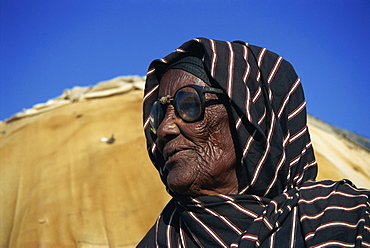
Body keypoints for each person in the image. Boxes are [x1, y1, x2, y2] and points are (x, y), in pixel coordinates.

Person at [138, 38, 370, 247]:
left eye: (188, 104)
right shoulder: (160, 241)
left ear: (253, 115)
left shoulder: (346, 219)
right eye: (158, 114)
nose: (164, 130)